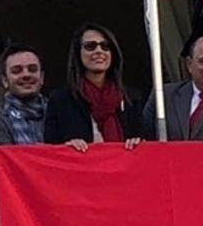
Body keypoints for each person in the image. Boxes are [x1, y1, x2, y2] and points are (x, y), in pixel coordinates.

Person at [44, 22, 143, 150]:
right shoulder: (60, 99)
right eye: (90, 46)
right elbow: (50, 149)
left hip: (123, 168)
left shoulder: (131, 98)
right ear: (78, 53)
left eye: (105, 46)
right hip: (79, 168)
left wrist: (138, 143)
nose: (99, 51)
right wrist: (65, 147)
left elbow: (143, 143)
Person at [0, 44, 47, 145]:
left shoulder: (61, 116)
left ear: (42, 77)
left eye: (32, 69)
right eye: (17, 71)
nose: (26, 75)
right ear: (4, 81)